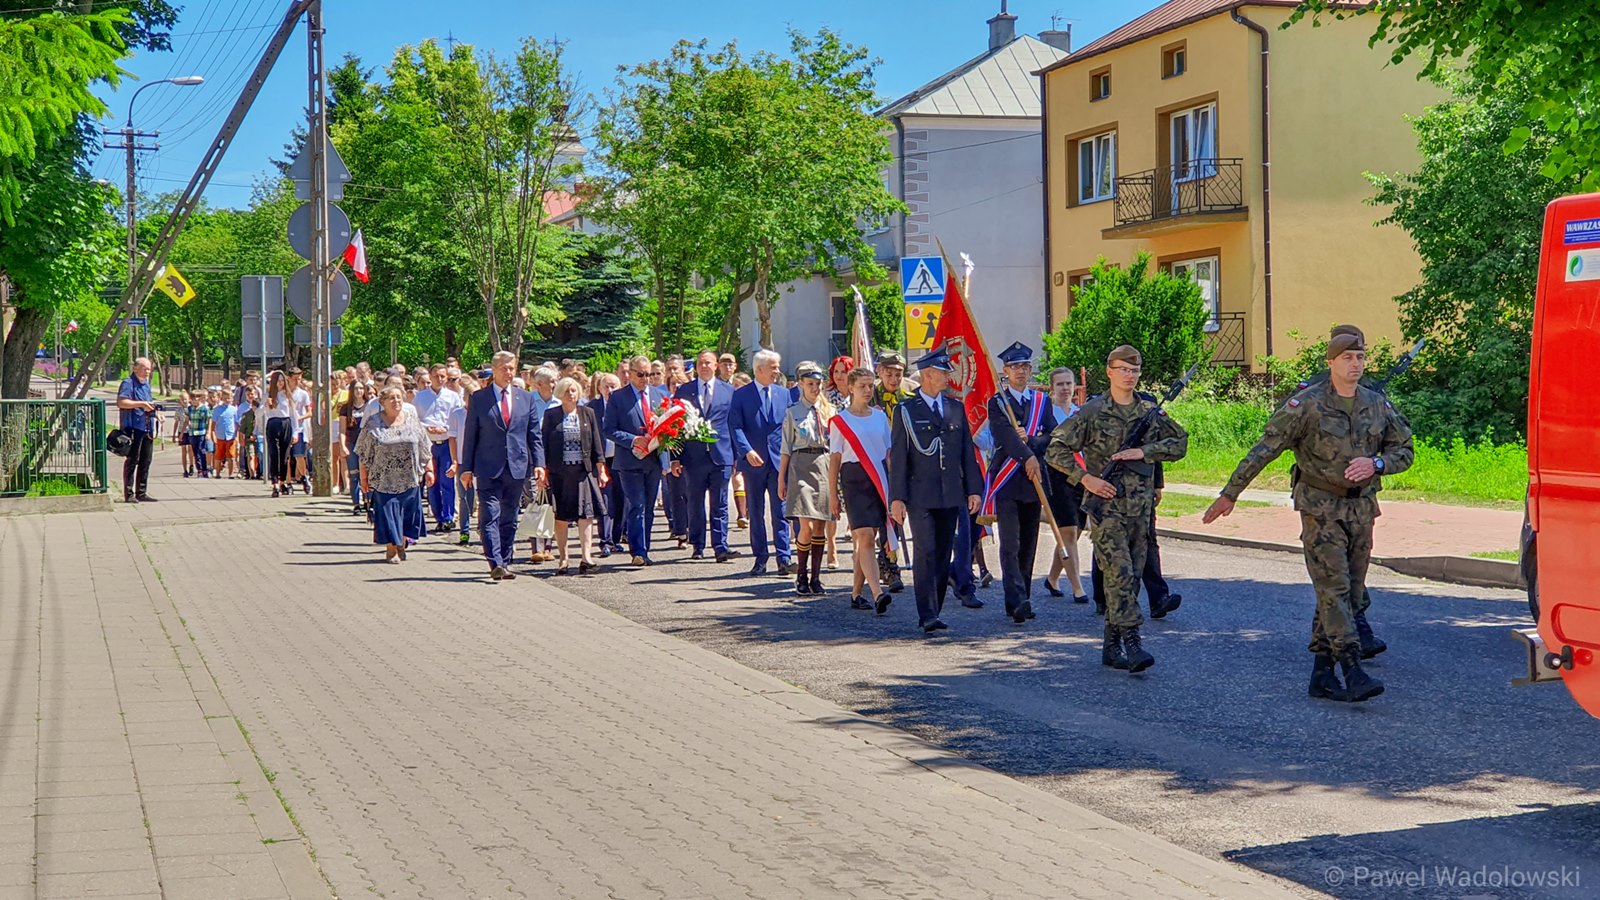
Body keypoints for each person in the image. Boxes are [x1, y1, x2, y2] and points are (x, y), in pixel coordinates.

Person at [1203, 325, 1413, 703]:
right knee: (1334, 588)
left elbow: (1405, 450)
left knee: (1349, 592)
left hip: (1362, 509)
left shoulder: (1377, 404)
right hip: (1320, 508)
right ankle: (1352, 668)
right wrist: (1230, 493)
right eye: (1347, 358)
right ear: (1330, 362)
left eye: (1360, 357)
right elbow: (1265, 449)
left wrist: (1377, 464)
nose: (1355, 364)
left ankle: (1321, 673)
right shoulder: (1307, 404)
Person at [1046, 345, 1188, 674]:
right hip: (1107, 508)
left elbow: (1180, 442)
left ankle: (1111, 647)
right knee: (1120, 573)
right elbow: (1056, 449)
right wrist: (1086, 479)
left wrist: (1145, 452)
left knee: (1130, 578)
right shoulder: (1093, 411)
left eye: (1135, 370)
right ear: (1109, 372)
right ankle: (1133, 643)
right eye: (1123, 369)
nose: (1130, 375)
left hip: (1140, 510)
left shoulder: (1149, 410)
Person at [888, 344, 983, 633]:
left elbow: (966, 453)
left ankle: (936, 608)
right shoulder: (906, 410)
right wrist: (897, 498)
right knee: (925, 550)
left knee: (942, 553)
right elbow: (899, 457)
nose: (947, 376)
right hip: (921, 494)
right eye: (943, 372)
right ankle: (927, 613)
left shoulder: (955, 408)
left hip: (951, 493)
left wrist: (974, 489)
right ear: (928, 374)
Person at [981, 342, 1056, 625]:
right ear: (1005, 371)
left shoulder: (1041, 401)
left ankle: (1025, 595)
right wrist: (1027, 455)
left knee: (1029, 542)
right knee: (1010, 543)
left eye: (1024, 366)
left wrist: (1033, 442)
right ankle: (1015, 600)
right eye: (1014, 367)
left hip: (1032, 480)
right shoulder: (998, 402)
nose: (1020, 371)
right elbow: (1004, 437)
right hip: (1008, 478)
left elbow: (1052, 434)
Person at [459, 350, 544, 581]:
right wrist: (466, 468)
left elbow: (534, 434)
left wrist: (539, 463)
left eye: (512, 368)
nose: (509, 372)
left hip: (517, 467)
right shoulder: (479, 398)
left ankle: (505, 562)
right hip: (488, 467)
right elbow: (470, 436)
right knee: (490, 515)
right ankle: (495, 562)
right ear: (494, 370)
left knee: (509, 517)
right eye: (504, 368)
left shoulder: (525, 398)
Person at [829, 367, 892, 611]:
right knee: (864, 535)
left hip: (878, 479)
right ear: (851, 389)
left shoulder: (880, 417)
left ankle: (856, 593)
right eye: (862, 386)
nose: (867, 390)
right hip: (853, 479)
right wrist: (833, 495)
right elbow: (835, 459)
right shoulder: (840, 421)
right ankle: (877, 593)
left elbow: (889, 454)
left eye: (870, 386)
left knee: (868, 538)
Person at [730, 349, 795, 577]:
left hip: (779, 462)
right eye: (773, 367)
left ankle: (784, 558)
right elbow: (735, 426)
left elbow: (789, 425)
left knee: (781, 511)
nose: (777, 371)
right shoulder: (741, 395)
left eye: (777, 367)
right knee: (756, 512)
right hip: (754, 463)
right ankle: (760, 558)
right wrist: (747, 451)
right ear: (759, 369)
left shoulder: (784, 394)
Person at [673, 350, 739, 562]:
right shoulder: (685, 391)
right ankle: (697, 545)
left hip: (721, 455)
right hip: (693, 457)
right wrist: (675, 457)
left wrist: (737, 456)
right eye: (700, 363)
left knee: (720, 503)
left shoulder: (729, 391)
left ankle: (721, 546)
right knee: (695, 503)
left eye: (708, 363)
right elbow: (675, 427)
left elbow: (734, 424)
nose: (704, 366)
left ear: (716, 365)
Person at [356, 386, 435, 563]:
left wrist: (429, 470)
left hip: (409, 478)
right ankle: (392, 548)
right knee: (388, 515)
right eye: (391, 398)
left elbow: (424, 446)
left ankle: (401, 543)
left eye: (399, 397)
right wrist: (363, 478)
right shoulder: (373, 423)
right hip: (384, 480)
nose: (396, 401)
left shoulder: (412, 420)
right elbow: (363, 452)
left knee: (407, 515)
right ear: (382, 402)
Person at [538, 377, 608, 574]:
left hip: (583, 472)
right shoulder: (551, 415)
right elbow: (543, 444)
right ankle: (563, 558)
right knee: (561, 517)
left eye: (574, 390)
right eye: (567, 391)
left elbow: (596, 442)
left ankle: (586, 557)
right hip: (560, 473)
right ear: (560, 393)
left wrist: (601, 469)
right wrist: (542, 470)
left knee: (586, 515)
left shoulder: (588, 413)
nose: (571, 394)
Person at [779, 362, 836, 596]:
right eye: (810, 384)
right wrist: (781, 479)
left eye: (818, 384)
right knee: (806, 525)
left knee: (820, 524)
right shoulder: (793, 412)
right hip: (800, 465)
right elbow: (785, 448)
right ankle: (801, 575)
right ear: (801, 385)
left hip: (823, 464)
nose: (815, 388)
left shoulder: (829, 411)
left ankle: (816, 577)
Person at [603, 355, 664, 567]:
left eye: (649, 374)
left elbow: (669, 427)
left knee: (649, 507)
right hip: (629, 462)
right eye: (641, 374)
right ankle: (638, 551)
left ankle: (645, 549)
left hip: (653, 460)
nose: (645, 379)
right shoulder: (618, 398)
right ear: (630, 373)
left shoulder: (659, 396)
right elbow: (609, 429)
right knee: (637, 505)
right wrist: (633, 440)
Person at [1041, 367, 1089, 603]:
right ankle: (1078, 587)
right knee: (1067, 531)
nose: (1065, 388)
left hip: (1080, 477)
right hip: (1055, 478)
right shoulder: (1045, 414)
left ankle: (1052, 578)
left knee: (1075, 532)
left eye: (1068, 383)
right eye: (1060, 384)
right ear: (1052, 388)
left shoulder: (1082, 413)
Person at [871, 349, 915, 593]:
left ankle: (889, 562)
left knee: (898, 516)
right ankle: (889, 565)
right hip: (877, 465)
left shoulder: (910, 396)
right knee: (883, 518)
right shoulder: (869, 396)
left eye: (898, 374)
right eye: (889, 374)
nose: (894, 379)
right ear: (880, 372)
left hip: (904, 466)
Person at [421, 364, 462, 535]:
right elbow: (415, 419)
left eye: (443, 376)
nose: (440, 379)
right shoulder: (420, 397)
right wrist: (427, 427)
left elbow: (459, 418)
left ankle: (448, 517)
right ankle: (438, 517)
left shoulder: (453, 397)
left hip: (446, 443)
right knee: (432, 481)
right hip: (428, 444)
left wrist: (446, 428)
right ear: (430, 377)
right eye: (436, 376)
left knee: (447, 481)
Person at [115, 357, 160, 503]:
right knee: (132, 460)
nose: (148, 372)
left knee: (146, 460)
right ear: (135, 368)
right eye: (145, 369)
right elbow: (121, 402)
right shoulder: (128, 383)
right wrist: (141, 404)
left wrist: (156, 413)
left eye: (149, 369)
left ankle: (142, 492)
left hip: (147, 427)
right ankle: (129, 494)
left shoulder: (146, 385)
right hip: (133, 427)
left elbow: (149, 404)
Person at [447, 375, 478, 545]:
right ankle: (464, 531)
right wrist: (454, 461)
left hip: (480, 461)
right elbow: (452, 439)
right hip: (462, 461)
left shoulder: (483, 414)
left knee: (480, 497)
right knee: (464, 497)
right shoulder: (457, 414)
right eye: (469, 397)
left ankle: (481, 527)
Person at [264, 371, 296, 497]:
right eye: (278, 380)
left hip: (285, 423)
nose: (280, 383)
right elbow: (259, 413)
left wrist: (295, 432)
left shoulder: (287, 395)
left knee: (284, 456)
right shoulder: (268, 395)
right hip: (273, 423)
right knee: (274, 454)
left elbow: (293, 415)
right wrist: (266, 405)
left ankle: (282, 481)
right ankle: (274, 483)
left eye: (282, 380)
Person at [342, 382, 370, 514]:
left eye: (361, 388)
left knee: (367, 474)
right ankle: (356, 504)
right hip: (352, 443)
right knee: (354, 475)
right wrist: (343, 445)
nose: (359, 391)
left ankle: (368, 501)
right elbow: (342, 430)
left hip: (367, 444)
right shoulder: (346, 408)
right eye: (356, 388)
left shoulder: (369, 405)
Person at [186, 390, 212, 478]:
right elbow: (187, 420)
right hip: (192, 433)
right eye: (192, 398)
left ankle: (204, 470)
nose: (194, 400)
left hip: (201, 432)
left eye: (196, 398)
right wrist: (182, 432)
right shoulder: (190, 408)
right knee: (195, 452)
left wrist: (208, 433)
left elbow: (209, 421)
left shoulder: (205, 408)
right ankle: (199, 470)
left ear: (200, 398)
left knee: (201, 450)